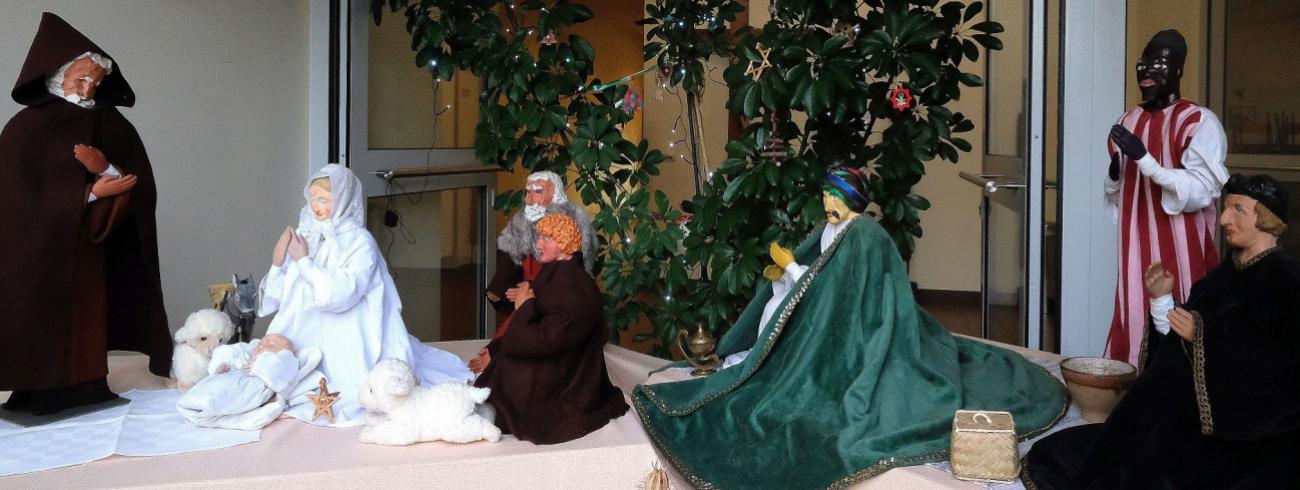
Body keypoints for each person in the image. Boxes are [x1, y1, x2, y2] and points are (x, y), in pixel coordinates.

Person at [633, 167, 1068, 489]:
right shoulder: (831, 228)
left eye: (834, 194)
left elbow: (840, 293)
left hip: (863, 335)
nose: (826, 202)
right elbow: (822, 282)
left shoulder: (862, 235)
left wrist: (793, 267)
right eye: (823, 192)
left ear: (853, 199)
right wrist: (787, 272)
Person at [1024, 174, 1300, 488]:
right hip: (1177, 404)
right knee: (1093, 450)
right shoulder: (1223, 274)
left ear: (1266, 219)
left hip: (1234, 428)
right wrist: (1163, 302)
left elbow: (1280, 365)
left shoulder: (1286, 282)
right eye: (1225, 208)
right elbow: (1182, 345)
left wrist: (1204, 334)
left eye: (1237, 209)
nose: (1223, 218)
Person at [0, 12, 172, 416]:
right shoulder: (25, 129)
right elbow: (15, 202)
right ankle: (39, 392)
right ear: (55, 77)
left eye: (95, 81)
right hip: (41, 259)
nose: (88, 88)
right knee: (44, 320)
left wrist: (107, 174)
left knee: (88, 319)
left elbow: (137, 184)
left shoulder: (111, 123)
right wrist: (91, 193)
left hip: (92, 252)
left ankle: (88, 385)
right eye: (81, 79)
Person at [258, 164, 472, 427]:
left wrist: (304, 262)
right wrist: (278, 263)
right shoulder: (308, 235)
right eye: (313, 197)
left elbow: (340, 296)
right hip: (303, 328)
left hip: (349, 332)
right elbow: (279, 297)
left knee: (350, 383)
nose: (316, 205)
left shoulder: (359, 242)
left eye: (324, 199)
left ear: (343, 200)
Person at [1103, 29, 1229, 365]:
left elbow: (1201, 191)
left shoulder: (1198, 121)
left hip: (1184, 254)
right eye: (1142, 64)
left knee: (1182, 325)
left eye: (1158, 64)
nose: (1146, 72)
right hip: (1133, 251)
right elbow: (1116, 195)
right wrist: (1115, 174)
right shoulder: (1127, 121)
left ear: (1178, 71)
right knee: (1132, 317)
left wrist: (1145, 160)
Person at [472, 214, 628, 444]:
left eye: (546, 238)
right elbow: (539, 319)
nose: (538, 244)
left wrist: (524, 306)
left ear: (564, 243)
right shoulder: (555, 274)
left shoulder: (574, 288)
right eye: (539, 237)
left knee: (516, 383)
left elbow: (545, 339)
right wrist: (496, 350)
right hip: (548, 364)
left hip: (562, 387)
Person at [473, 170, 595, 371]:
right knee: (517, 322)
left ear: (553, 192)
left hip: (555, 290)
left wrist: (536, 288)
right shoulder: (522, 220)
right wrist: (501, 287)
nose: (530, 199)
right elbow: (512, 258)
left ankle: (500, 356)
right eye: (527, 192)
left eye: (537, 192)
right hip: (533, 284)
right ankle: (499, 352)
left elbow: (575, 267)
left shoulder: (572, 222)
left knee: (534, 328)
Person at [177, 334, 324, 431]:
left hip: (256, 384)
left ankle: (205, 404)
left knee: (231, 393)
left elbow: (282, 369)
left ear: (286, 350)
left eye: (271, 343)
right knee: (219, 385)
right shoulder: (248, 358)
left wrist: (259, 367)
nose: (263, 343)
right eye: (261, 342)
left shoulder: (286, 358)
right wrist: (225, 370)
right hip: (240, 377)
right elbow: (238, 369)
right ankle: (195, 402)